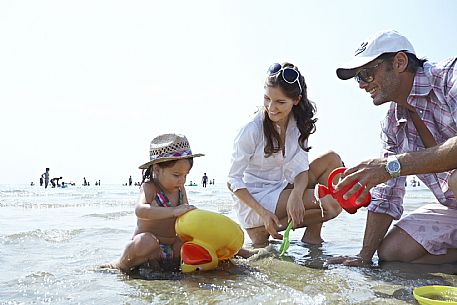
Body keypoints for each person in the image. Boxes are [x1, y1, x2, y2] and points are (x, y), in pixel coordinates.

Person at [330, 30, 457, 266]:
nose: (361, 85)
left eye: (366, 73)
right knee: (392, 251)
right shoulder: (392, 124)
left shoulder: (450, 75)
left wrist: (392, 166)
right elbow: (387, 195)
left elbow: (391, 169)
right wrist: (363, 256)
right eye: (358, 77)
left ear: (399, 62)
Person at [227, 62, 343, 248]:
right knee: (331, 204)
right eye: (267, 99)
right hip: (256, 200)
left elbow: (301, 169)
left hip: (281, 187)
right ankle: (262, 230)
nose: (271, 107)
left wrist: (297, 195)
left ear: (296, 100)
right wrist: (263, 213)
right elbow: (233, 180)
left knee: (332, 160)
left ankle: (312, 237)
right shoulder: (251, 130)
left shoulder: (298, 124)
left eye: (280, 102)